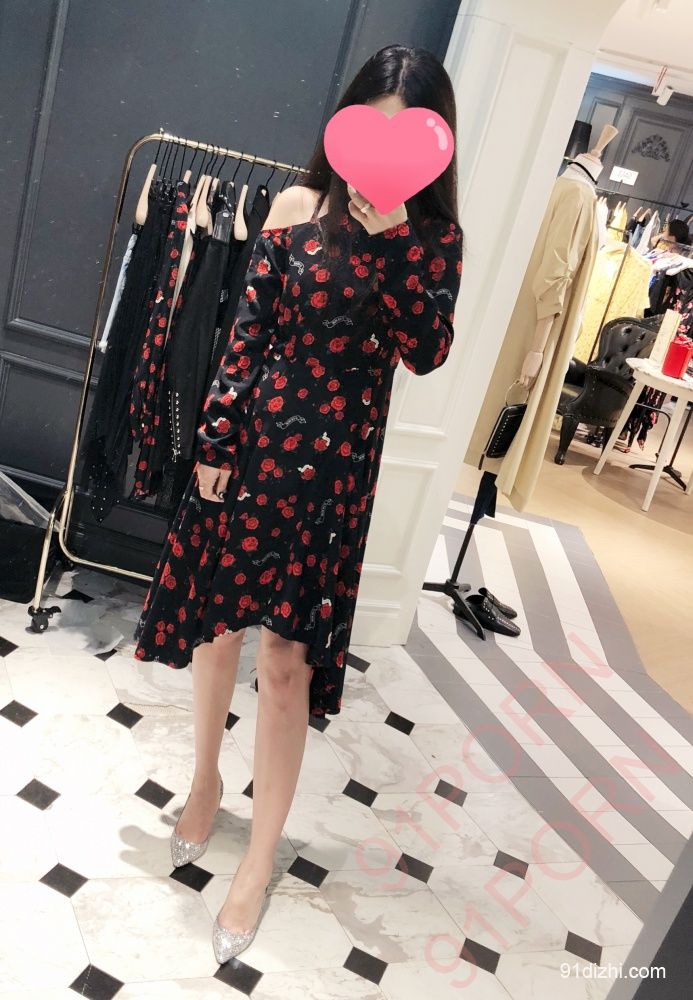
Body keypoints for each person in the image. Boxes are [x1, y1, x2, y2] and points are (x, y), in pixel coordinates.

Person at [133, 43, 463, 962]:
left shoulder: (433, 241)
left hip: (334, 476)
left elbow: (425, 351)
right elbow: (247, 336)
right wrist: (214, 439)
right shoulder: (292, 208)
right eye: (372, 130)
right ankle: (205, 781)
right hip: (253, 450)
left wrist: (393, 240)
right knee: (216, 631)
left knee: (285, 665)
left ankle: (259, 857)